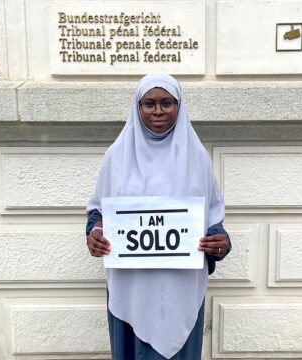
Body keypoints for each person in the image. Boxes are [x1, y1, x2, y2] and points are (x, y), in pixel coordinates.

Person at [86, 73, 231, 360]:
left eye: (167, 103)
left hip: (179, 288)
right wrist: (95, 234)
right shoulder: (116, 157)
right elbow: (98, 213)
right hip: (132, 287)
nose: (158, 111)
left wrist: (221, 243)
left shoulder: (197, 157)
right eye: (148, 104)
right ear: (137, 107)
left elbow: (213, 217)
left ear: (179, 105)